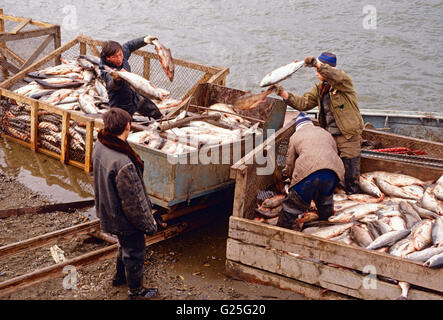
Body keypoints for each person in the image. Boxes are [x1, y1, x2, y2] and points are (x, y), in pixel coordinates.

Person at [273, 52, 364, 194]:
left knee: (351, 177)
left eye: (318, 70)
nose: (316, 74)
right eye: (316, 70)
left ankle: (353, 199)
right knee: (331, 174)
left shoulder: (344, 83)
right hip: (328, 138)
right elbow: (303, 103)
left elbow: (336, 76)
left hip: (348, 137)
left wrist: (317, 64)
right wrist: (283, 93)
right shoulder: (319, 88)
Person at [92, 108, 159, 300]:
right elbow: (134, 203)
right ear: (128, 126)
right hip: (122, 218)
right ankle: (136, 291)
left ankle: (119, 277)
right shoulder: (123, 164)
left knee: (123, 245)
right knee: (134, 251)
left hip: (107, 209)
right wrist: (149, 225)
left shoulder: (100, 145)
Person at [276, 112, 345, 229]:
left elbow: (290, 162)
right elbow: (334, 152)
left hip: (309, 174)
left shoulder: (295, 136)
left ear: (298, 127)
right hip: (333, 172)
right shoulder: (326, 133)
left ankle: (280, 231)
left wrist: (293, 179)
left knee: (291, 207)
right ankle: (327, 226)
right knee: (325, 201)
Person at [100, 35, 163, 119]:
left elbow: (129, 46)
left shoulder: (122, 57)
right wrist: (116, 79)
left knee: (155, 112)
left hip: (135, 97)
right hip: (120, 105)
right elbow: (110, 83)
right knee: (124, 126)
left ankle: (161, 122)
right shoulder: (105, 70)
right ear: (108, 58)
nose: (119, 59)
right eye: (114, 57)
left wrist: (143, 40)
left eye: (120, 55)